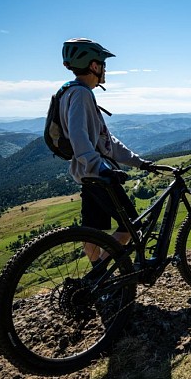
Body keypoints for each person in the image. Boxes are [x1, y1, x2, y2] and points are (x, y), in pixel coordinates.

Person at [60, 38, 153, 266]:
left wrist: (139, 163)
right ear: (93, 66)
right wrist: (101, 168)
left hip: (86, 174)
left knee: (94, 231)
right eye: (102, 64)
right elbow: (79, 137)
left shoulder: (69, 92)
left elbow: (106, 141)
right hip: (98, 175)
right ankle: (99, 277)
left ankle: (98, 286)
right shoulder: (81, 94)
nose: (104, 70)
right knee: (132, 225)